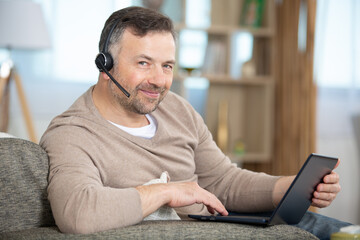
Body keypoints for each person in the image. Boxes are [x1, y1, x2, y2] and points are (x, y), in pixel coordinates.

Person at [40, 6, 351, 238]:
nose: (158, 81)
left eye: (167, 66)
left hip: (229, 226)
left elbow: (223, 182)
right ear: (104, 63)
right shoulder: (72, 133)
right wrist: (168, 192)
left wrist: (288, 187)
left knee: (347, 232)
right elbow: (78, 213)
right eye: (143, 63)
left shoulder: (176, 109)